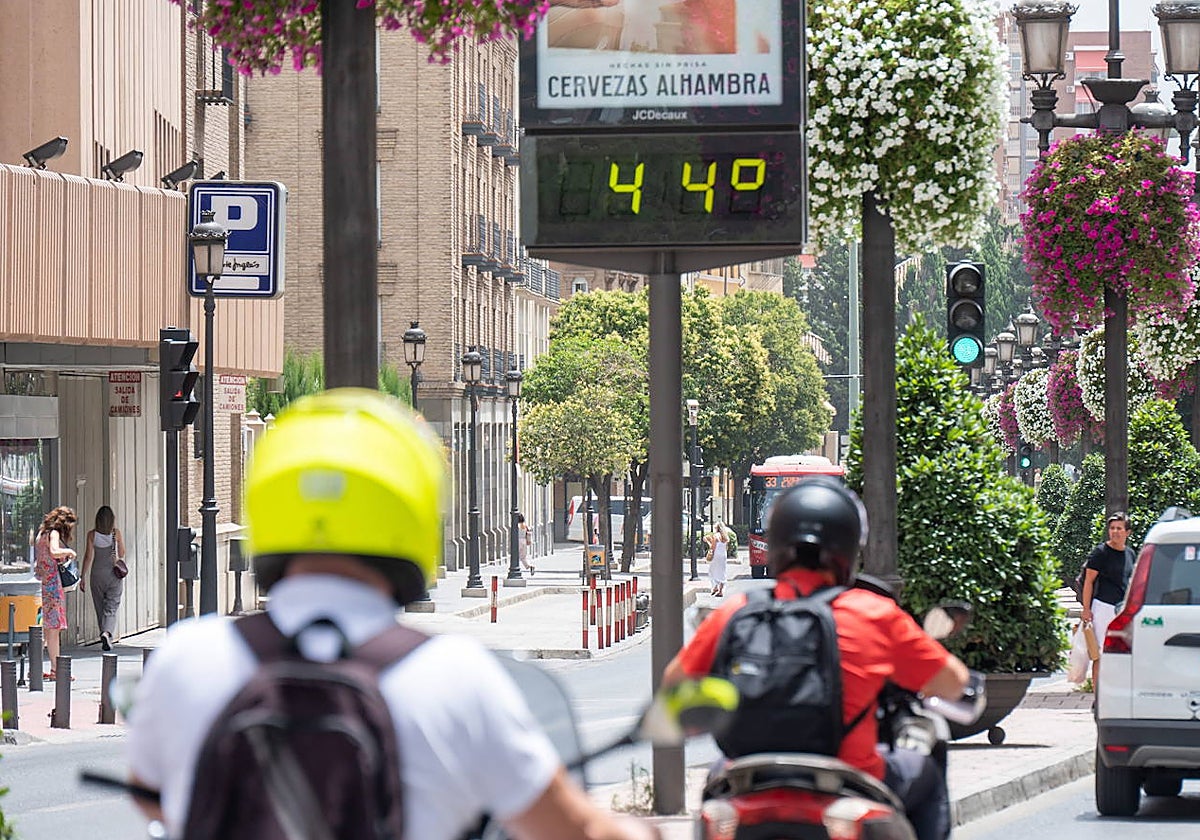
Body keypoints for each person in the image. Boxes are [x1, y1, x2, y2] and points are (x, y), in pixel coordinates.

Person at [127, 389, 658, 840]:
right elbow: (574, 829)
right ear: (414, 510)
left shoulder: (186, 659)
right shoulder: (454, 677)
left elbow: (152, 797)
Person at [663, 478, 968, 840]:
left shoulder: (737, 611)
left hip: (748, 780)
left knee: (714, 786)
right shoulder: (872, 613)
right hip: (853, 774)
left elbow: (673, 689)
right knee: (926, 773)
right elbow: (954, 684)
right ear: (849, 548)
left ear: (776, 542)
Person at [1081, 512, 1133, 687]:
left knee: (1123, 653)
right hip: (1103, 607)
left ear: (1128, 532)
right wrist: (1086, 609)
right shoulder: (1101, 552)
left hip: (1123, 610)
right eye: (1112, 528)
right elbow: (1088, 581)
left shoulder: (1130, 554)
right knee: (1101, 654)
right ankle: (1098, 696)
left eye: (1119, 528)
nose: (1115, 532)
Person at [32, 505, 78, 679]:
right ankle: (56, 669)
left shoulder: (41, 534)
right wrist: (69, 552)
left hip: (42, 583)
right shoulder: (53, 533)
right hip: (52, 585)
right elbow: (54, 551)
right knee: (54, 629)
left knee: (46, 630)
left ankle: (43, 667)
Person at [82, 505, 126, 651]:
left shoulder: (92, 535)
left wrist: (83, 576)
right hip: (113, 574)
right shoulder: (116, 533)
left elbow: (88, 557)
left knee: (100, 606)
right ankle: (107, 633)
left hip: (97, 574)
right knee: (111, 606)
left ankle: (104, 633)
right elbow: (122, 552)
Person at [705, 523, 729, 597]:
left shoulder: (716, 536)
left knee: (712, 571)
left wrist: (708, 542)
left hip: (716, 555)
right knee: (722, 572)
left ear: (717, 528)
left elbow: (713, 547)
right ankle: (720, 591)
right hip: (723, 555)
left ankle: (715, 587)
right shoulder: (726, 537)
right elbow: (726, 548)